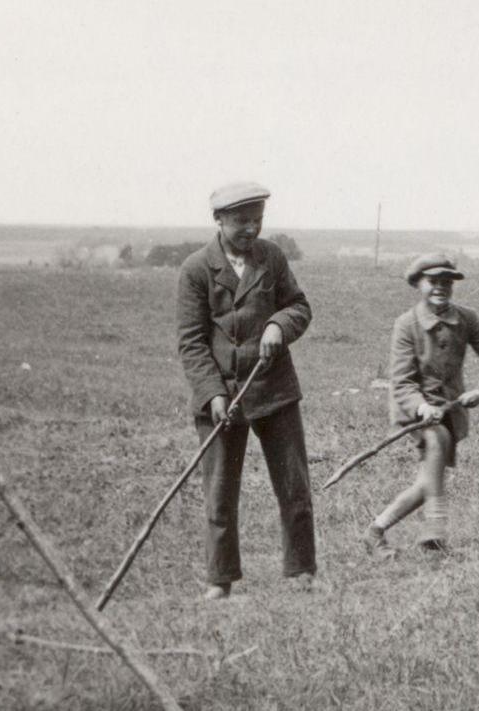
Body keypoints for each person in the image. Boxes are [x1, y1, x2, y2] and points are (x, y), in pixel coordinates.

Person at [176, 181, 316, 600]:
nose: (251, 229)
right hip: (222, 398)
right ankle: (220, 581)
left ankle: (302, 572)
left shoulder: (271, 258)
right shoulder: (196, 269)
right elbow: (191, 341)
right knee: (219, 493)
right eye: (241, 221)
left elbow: (299, 307)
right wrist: (212, 393)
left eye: (257, 220)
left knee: (294, 485)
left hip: (274, 391)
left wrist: (279, 325)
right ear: (218, 220)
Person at [364, 253, 479, 556]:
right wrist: (421, 407)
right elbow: (402, 382)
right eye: (433, 281)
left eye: (446, 282)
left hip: (450, 411)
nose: (440, 288)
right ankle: (434, 534)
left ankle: (375, 531)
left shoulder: (466, 318)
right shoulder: (406, 325)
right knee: (438, 442)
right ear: (418, 284)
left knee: (427, 482)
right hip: (414, 412)